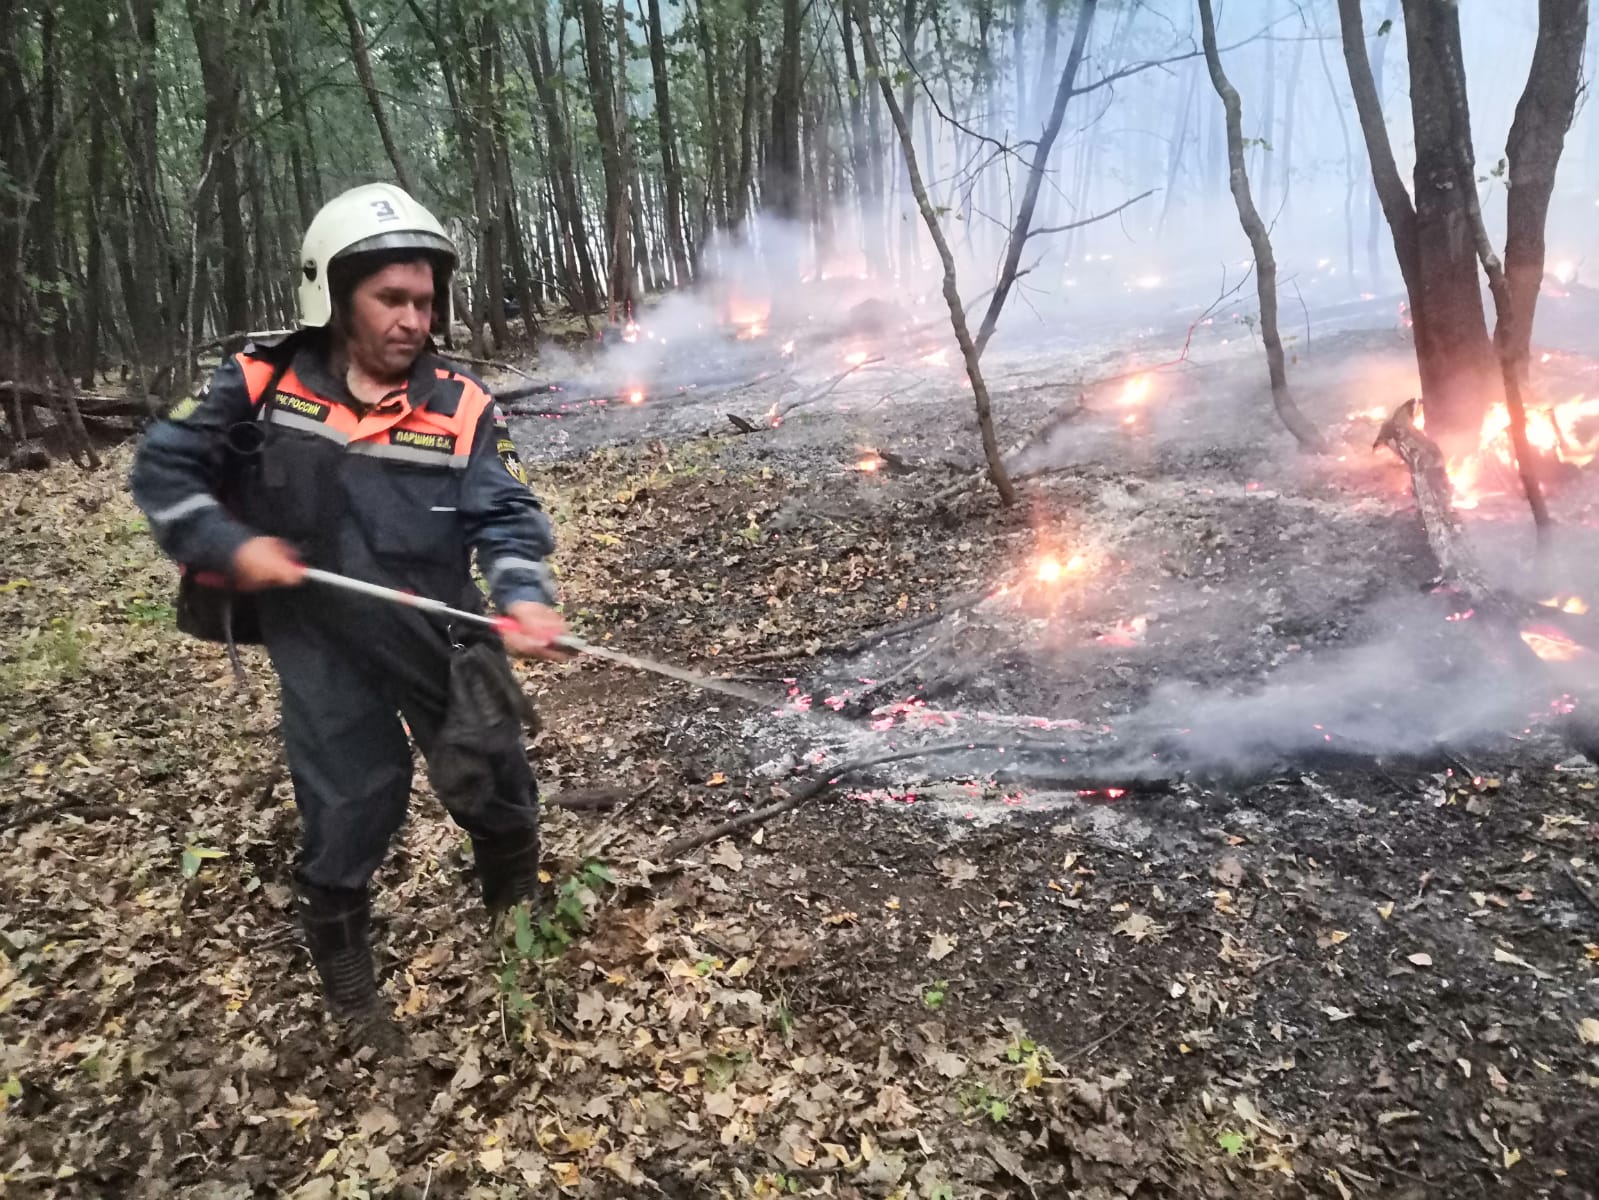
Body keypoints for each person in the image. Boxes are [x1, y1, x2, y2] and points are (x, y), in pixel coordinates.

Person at [130, 183, 566, 1057]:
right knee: (350, 804)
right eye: (390, 299)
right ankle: (349, 979)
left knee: (497, 782)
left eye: (425, 301)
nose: (413, 319)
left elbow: (506, 515)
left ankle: (516, 922)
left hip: (438, 629)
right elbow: (161, 471)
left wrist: (523, 592)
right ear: (330, 294)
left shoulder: (463, 405)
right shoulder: (258, 383)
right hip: (317, 636)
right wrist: (230, 541)